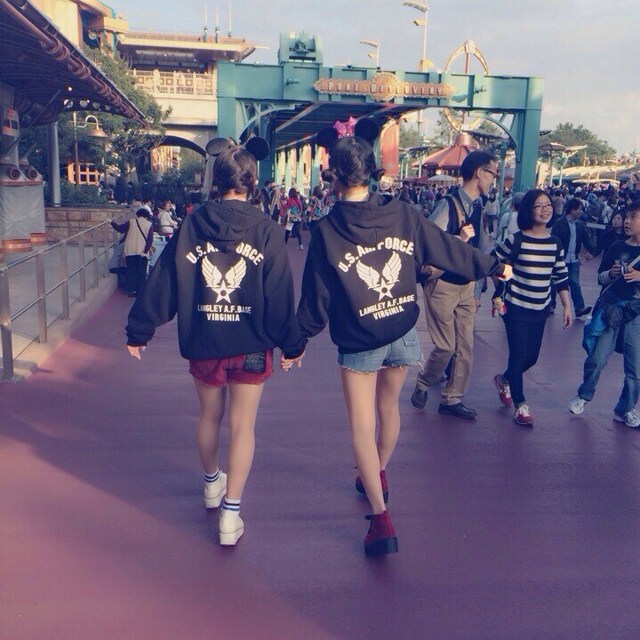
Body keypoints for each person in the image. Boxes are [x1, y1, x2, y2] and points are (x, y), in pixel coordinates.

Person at [286, 131, 511, 557]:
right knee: (388, 410)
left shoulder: (328, 230)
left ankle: (381, 518)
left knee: (361, 426)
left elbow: (316, 299)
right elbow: (446, 248)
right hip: (401, 329)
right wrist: (492, 266)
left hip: (360, 338)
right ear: (371, 172)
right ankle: (379, 471)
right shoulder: (403, 214)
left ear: (334, 177)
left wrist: (296, 343)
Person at [125, 145, 306, 546]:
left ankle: (211, 484)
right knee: (242, 426)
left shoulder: (193, 223)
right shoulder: (267, 229)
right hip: (252, 343)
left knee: (209, 416)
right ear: (251, 184)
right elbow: (279, 296)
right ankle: (230, 514)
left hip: (205, 338)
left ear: (216, 182)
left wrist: (140, 329)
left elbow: (165, 278)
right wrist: (293, 345)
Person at [410, 150, 498, 420]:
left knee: (465, 346)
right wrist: (459, 239)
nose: (494, 180)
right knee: (446, 346)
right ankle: (424, 382)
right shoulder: (447, 205)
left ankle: (452, 398)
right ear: (479, 173)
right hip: (443, 285)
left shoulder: (480, 206)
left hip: (467, 286)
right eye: (493, 174)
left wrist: (478, 289)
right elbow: (429, 245)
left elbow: (480, 251)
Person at [492, 189, 572, 426]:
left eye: (548, 205)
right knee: (518, 356)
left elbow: (560, 276)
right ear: (529, 210)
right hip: (515, 307)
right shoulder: (516, 239)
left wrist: (567, 306)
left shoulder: (555, 243)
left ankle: (503, 379)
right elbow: (494, 261)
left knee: (531, 358)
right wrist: (502, 284)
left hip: (540, 309)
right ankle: (521, 405)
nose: (545, 210)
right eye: (538, 206)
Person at [568, 200, 640, 428]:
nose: (627, 221)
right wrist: (612, 273)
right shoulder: (617, 247)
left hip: (636, 313)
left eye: (634, 217)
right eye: (627, 216)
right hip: (612, 308)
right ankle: (584, 394)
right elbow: (600, 277)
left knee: (635, 368)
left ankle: (626, 408)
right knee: (597, 358)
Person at [551, 197, 594, 318]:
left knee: (575, 284)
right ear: (572, 210)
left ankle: (579, 308)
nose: (581, 212)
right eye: (579, 209)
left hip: (573, 259)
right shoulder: (559, 223)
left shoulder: (580, 225)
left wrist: (591, 251)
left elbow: (586, 240)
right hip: (560, 259)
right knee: (554, 283)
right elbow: (554, 240)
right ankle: (551, 305)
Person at [110, 207, 153, 297]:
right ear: (147, 216)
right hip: (142, 252)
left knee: (131, 271)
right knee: (141, 272)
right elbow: (149, 240)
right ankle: (140, 291)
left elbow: (120, 229)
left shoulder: (131, 222)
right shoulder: (149, 224)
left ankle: (131, 290)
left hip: (130, 250)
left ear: (138, 215)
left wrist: (112, 222)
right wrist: (145, 251)